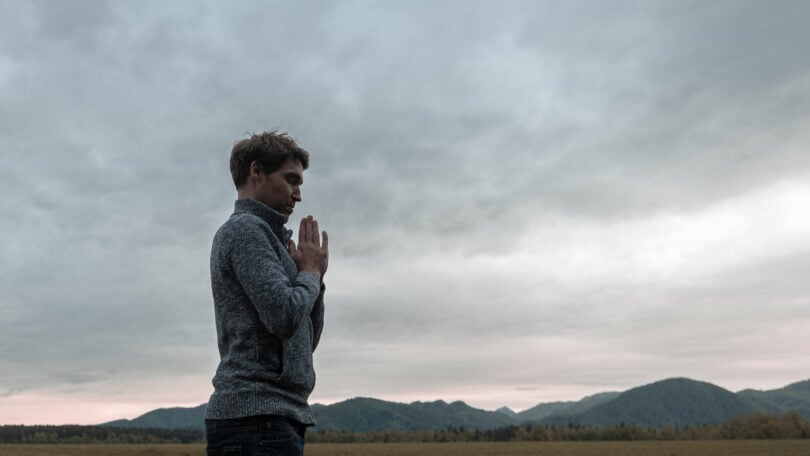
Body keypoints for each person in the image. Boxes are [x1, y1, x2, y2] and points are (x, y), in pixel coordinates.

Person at [205, 130, 329, 456]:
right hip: (255, 421)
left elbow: (303, 340)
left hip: (273, 418)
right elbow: (284, 315)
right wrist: (310, 275)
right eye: (291, 180)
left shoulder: (272, 241)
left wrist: (315, 279)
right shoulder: (245, 230)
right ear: (257, 172)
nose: (298, 194)